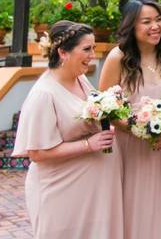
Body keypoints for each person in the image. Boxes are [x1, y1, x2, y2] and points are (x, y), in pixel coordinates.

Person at [12, 21, 122, 238]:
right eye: (87, 49)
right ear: (63, 52)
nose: (93, 54)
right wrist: (88, 145)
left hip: (93, 191)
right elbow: (37, 153)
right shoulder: (44, 94)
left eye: (93, 48)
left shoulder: (80, 79)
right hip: (62, 192)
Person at [99, 0, 161, 239]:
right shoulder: (118, 57)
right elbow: (106, 107)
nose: (155, 26)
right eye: (146, 21)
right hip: (130, 144)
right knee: (133, 201)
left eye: (158, 20)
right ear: (131, 25)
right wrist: (137, 130)